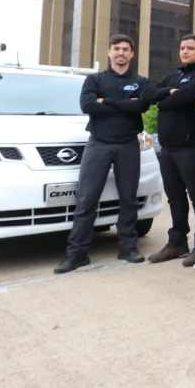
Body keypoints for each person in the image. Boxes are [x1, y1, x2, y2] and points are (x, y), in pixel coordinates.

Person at [55, 35, 151, 274]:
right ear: (109, 52)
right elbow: (88, 106)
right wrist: (124, 103)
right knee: (87, 199)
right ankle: (76, 254)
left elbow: (141, 106)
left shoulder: (140, 81)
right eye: (116, 49)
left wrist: (106, 101)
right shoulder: (94, 79)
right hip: (98, 144)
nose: (121, 53)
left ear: (132, 54)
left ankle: (128, 248)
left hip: (128, 144)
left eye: (125, 49)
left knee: (128, 198)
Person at [142, 35, 195, 266]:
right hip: (167, 149)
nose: (184, 52)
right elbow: (148, 95)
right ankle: (177, 242)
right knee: (174, 198)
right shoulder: (173, 75)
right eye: (182, 48)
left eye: (190, 48)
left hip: (192, 147)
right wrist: (169, 93)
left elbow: (187, 97)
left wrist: (167, 97)